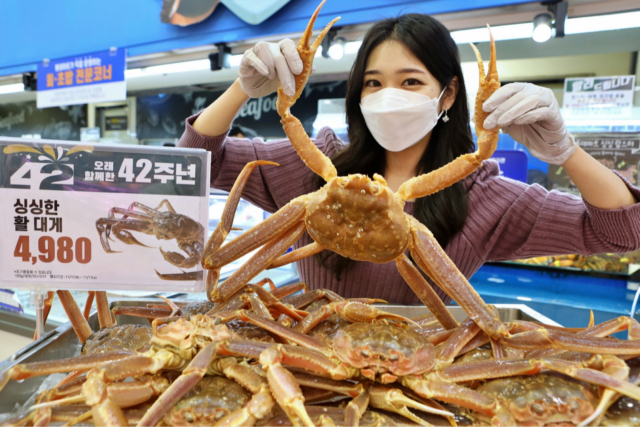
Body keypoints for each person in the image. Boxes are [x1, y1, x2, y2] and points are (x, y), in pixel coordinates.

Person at [179, 14, 640, 305]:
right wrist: (242, 87)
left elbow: (621, 232)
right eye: (373, 83)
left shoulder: (484, 197)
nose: (387, 96)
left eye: (411, 82)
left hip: (420, 377)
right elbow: (196, 163)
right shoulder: (314, 165)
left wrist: (567, 152)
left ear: (448, 95)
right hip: (307, 369)